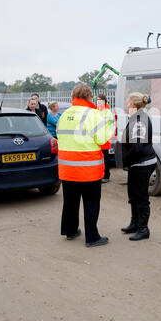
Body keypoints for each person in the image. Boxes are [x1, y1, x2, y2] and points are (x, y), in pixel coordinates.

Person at [57, 84, 114, 247]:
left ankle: (70, 231)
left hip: (67, 169)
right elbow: (102, 140)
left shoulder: (65, 114)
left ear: (73, 96)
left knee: (70, 202)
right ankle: (92, 237)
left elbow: (60, 138)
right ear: (89, 96)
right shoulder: (94, 114)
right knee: (91, 203)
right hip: (88, 169)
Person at [121, 92, 157, 241]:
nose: (126, 105)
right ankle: (135, 223)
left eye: (128, 102)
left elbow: (137, 146)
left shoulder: (139, 119)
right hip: (136, 163)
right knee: (133, 195)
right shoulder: (137, 117)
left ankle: (144, 229)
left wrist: (126, 158)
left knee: (141, 197)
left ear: (134, 105)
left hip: (141, 163)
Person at [96, 94, 115, 183]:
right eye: (97, 100)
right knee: (98, 158)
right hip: (96, 139)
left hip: (104, 139)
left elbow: (111, 124)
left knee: (105, 158)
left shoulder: (108, 112)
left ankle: (106, 175)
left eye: (100, 100)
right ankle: (99, 174)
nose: (98, 101)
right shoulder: (96, 111)